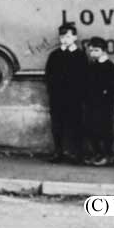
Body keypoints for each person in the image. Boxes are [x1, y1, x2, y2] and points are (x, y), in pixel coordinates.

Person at [44, 22, 86, 163]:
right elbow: (49, 75)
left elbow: (84, 76)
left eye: (68, 36)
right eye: (62, 37)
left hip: (75, 97)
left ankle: (76, 153)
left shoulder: (80, 55)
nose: (65, 39)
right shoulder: (54, 55)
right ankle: (58, 152)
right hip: (57, 96)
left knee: (75, 124)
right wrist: (52, 91)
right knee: (57, 124)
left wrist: (80, 93)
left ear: (75, 37)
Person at [84, 36, 114, 166]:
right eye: (91, 51)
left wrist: (107, 91)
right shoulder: (92, 65)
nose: (93, 53)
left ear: (103, 51)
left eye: (96, 50)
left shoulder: (109, 66)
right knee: (91, 128)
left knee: (105, 129)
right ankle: (97, 153)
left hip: (104, 104)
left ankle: (107, 155)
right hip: (92, 103)